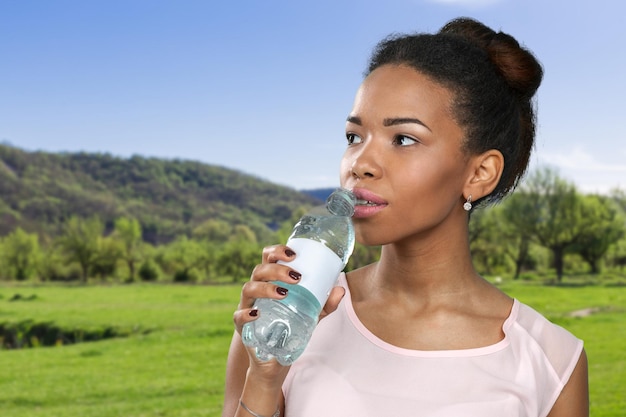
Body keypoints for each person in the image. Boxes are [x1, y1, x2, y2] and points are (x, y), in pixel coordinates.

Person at [222, 17, 588, 417]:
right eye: (353, 137)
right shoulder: (288, 315)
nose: (360, 164)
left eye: (404, 139)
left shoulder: (551, 361)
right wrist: (264, 376)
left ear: (479, 173)